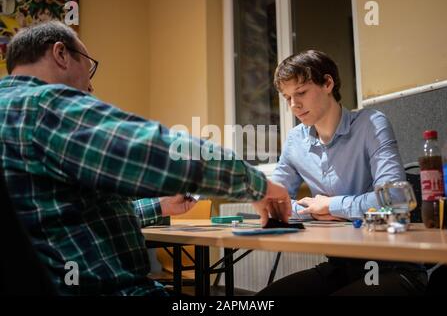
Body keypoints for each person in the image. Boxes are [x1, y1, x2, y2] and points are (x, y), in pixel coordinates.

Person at [0, 21, 291, 296]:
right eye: (89, 70)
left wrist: (159, 205)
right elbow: (158, 151)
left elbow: (65, 216)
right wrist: (256, 183)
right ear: (61, 53)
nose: (90, 87)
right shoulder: (43, 106)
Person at [257, 50, 427, 295]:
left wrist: (332, 205)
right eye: (287, 97)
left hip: (391, 267)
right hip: (339, 267)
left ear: (328, 83)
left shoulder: (371, 124)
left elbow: (396, 200)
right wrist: (314, 211)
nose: (294, 105)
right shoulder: (296, 140)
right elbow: (276, 202)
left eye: (301, 93)